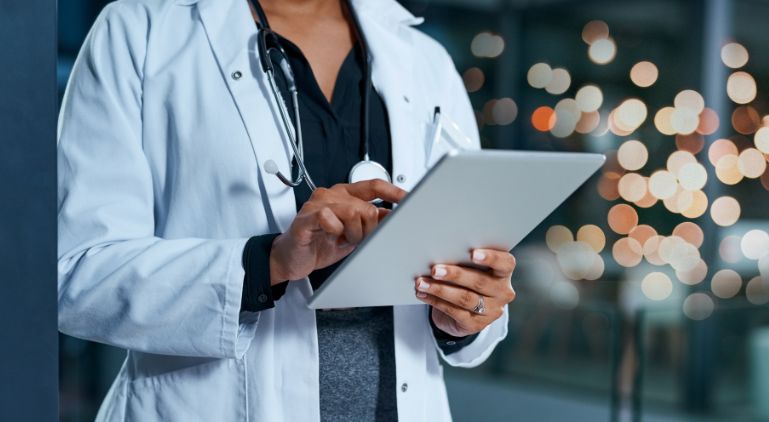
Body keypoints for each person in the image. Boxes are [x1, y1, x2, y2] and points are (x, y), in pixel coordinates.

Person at [57, 0, 516, 420]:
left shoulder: (425, 60)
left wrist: (465, 313)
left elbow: (469, 292)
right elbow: (76, 273)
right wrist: (268, 264)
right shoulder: (141, 31)